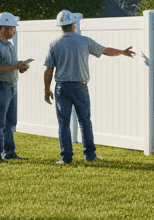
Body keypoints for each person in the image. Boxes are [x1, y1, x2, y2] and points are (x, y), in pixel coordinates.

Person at [43, 9, 134, 164]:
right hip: (80, 87)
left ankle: (66, 158)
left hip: (61, 88)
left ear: (60, 26)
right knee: (85, 121)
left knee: (63, 124)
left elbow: (48, 70)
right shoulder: (84, 41)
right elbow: (106, 51)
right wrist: (122, 52)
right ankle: (90, 156)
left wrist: (46, 89)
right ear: (73, 25)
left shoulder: (54, 44)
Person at [0, 12, 31, 162]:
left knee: (10, 123)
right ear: (2, 28)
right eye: (11, 28)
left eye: (14, 28)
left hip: (11, 87)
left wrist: (20, 67)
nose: (14, 31)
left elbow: (9, 66)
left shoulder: (9, 45)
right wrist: (15, 66)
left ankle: (10, 152)